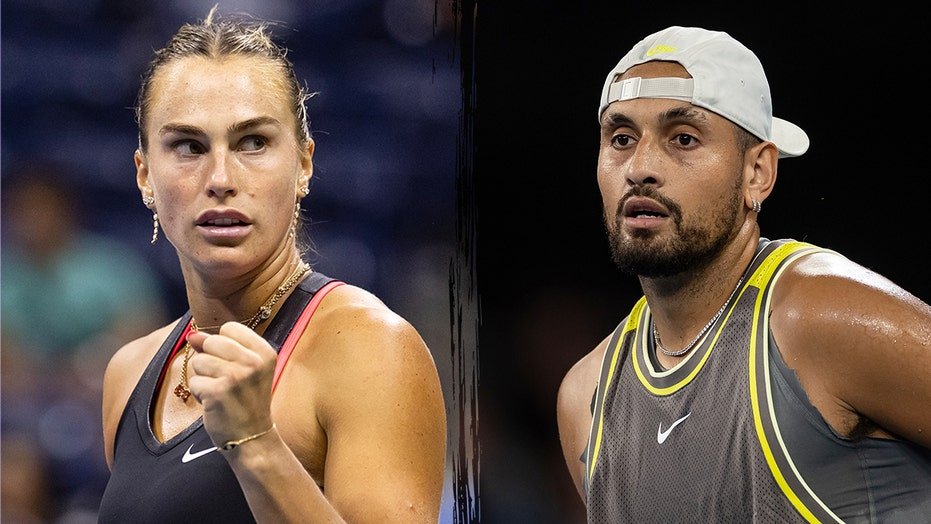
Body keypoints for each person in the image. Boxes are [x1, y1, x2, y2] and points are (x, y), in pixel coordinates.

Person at [556, 25, 931, 522]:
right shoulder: (585, 399)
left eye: (683, 139)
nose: (639, 167)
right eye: (621, 138)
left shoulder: (820, 318)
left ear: (757, 173)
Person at [98, 7, 447, 523]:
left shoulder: (372, 351)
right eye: (188, 146)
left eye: (253, 142)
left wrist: (256, 444)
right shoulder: (129, 373)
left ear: (304, 163)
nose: (220, 178)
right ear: (145, 174)